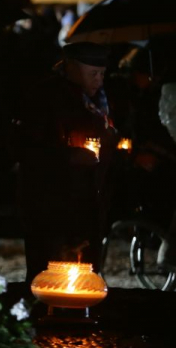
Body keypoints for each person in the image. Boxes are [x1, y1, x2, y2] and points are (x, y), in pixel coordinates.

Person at [16, 41, 117, 284]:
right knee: (50, 275)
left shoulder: (98, 102)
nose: (99, 81)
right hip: (51, 207)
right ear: (71, 67)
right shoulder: (44, 97)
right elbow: (25, 149)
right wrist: (68, 156)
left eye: (102, 74)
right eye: (93, 73)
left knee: (84, 275)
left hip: (87, 204)